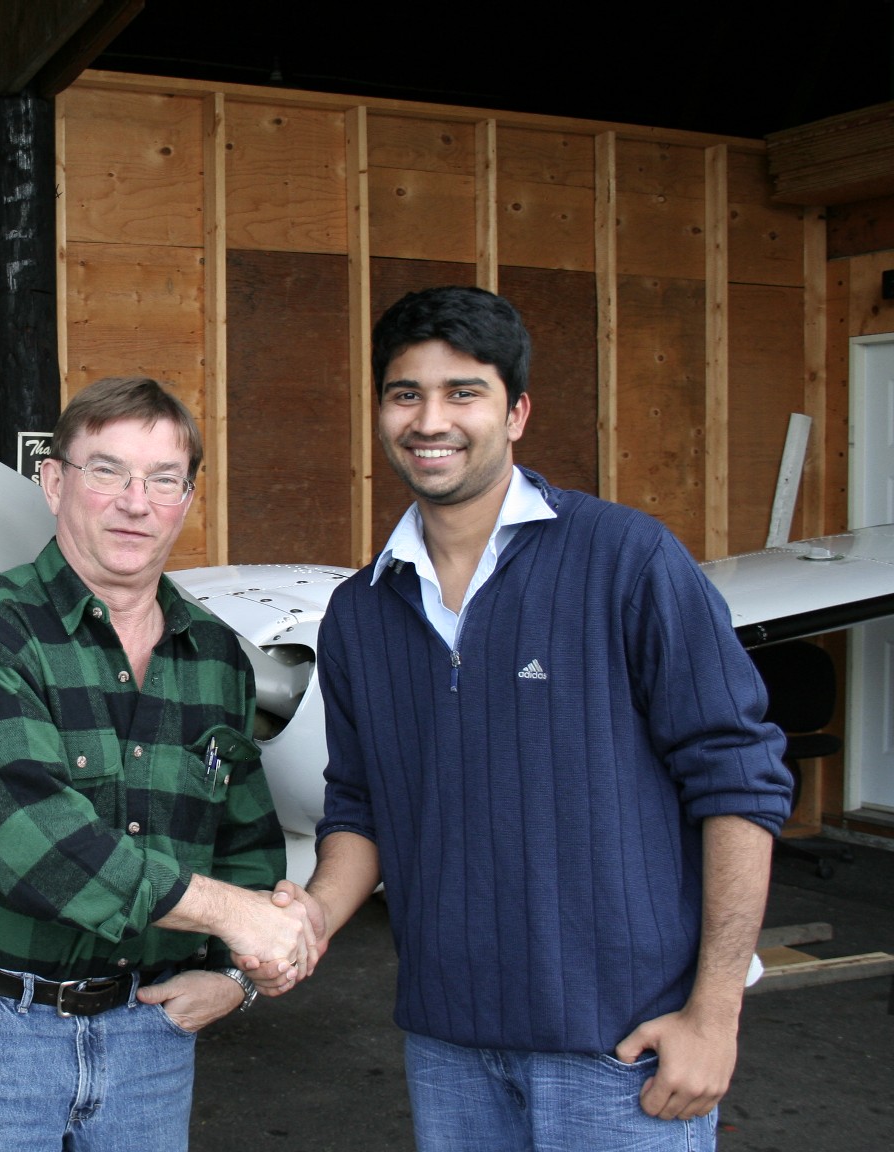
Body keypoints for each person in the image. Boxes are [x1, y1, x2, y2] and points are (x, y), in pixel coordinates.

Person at [250, 286, 792, 1150]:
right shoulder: (360, 611)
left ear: (518, 412)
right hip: (448, 1042)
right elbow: (360, 808)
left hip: (624, 1046)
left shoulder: (627, 557)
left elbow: (740, 780)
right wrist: (309, 916)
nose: (432, 419)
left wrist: (715, 1012)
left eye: (464, 392)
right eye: (406, 394)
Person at [0, 376, 311, 1152]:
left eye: (162, 479)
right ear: (54, 482)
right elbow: (33, 844)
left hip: (149, 1035)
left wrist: (236, 975)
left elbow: (245, 838)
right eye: (106, 470)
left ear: (187, 498)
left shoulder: (217, 657)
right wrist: (234, 915)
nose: (135, 501)